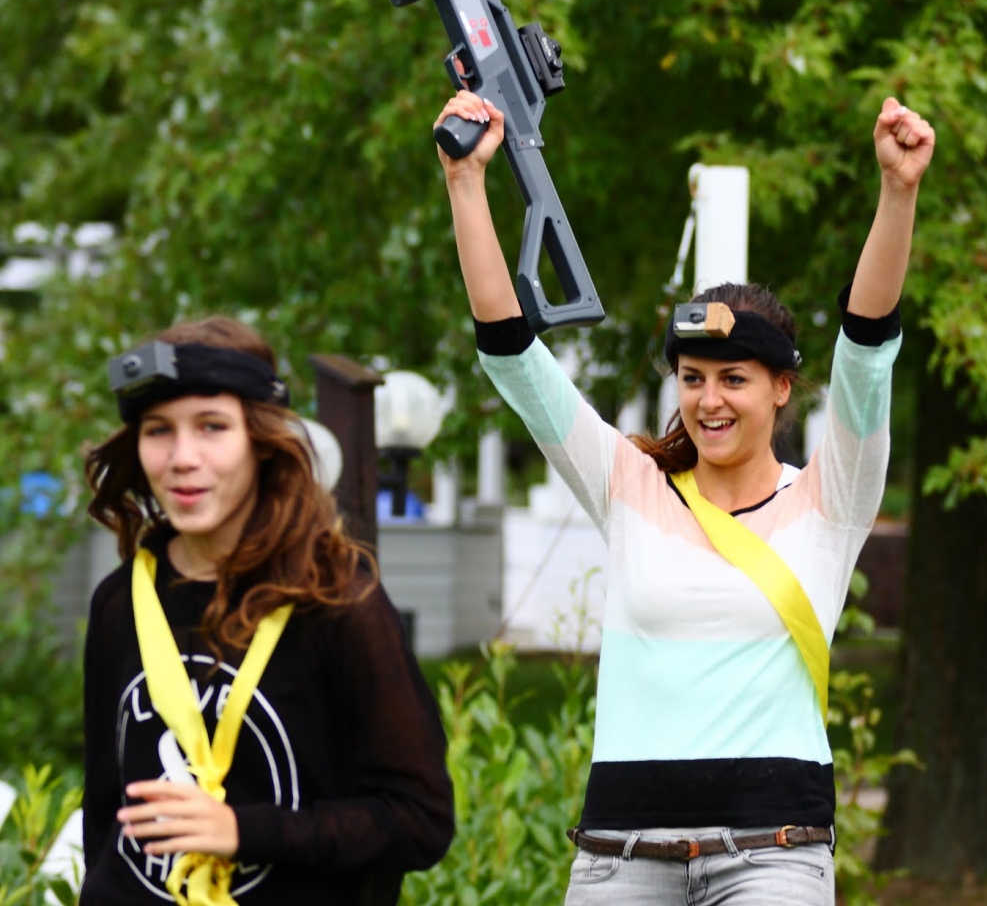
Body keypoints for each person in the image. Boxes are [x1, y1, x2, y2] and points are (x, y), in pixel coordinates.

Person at [438, 86, 933, 904]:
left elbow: (867, 351)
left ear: (781, 388)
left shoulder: (829, 501)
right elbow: (513, 358)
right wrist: (465, 183)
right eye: (693, 377)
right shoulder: (628, 484)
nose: (709, 400)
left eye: (734, 378)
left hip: (774, 854)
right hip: (621, 856)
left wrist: (897, 191)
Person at [78, 317, 455, 905]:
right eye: (158, 430)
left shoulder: (336, 599)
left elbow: (418, 820)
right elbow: (105, 816)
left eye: (212, 426)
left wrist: (242, 830)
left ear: (260, 440)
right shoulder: (120, 600)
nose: (182, 457)